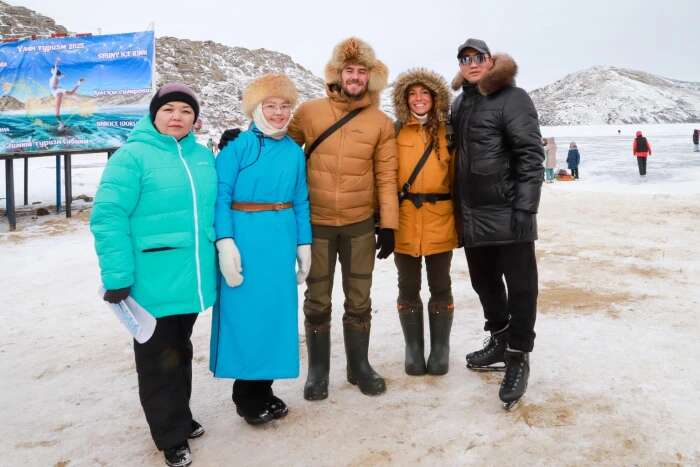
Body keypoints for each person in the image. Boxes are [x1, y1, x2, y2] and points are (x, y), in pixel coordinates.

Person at [218, 38, 398, 400]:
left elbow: (387, 176)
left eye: (362, 71)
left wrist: (389, 224)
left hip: (359, 224)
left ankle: (359, 366)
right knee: (317, 300)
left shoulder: (381, 121)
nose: (355, 77)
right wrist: (242, 137)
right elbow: (277, 141)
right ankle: (318, 371)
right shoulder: (311, 112)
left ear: (371, 77)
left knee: (359, 299)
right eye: (349, 70)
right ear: (337, 73)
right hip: (316, 225)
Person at [90, 83, 217, 467]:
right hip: (151, 280)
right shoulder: (132, 157)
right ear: (154, 114)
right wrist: (117, 276)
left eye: (185, 111)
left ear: (195, 119)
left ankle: (181, 416)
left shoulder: (201, 156)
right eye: (169, 109)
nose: (177, 117)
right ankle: (170, 435)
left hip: (191, 277)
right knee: (158, 357)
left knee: (180, 348)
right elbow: (108, 216)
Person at [210, 74, 312, 426]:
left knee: (275, 315)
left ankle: (264, 388)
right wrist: (224, 242)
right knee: (247, 316)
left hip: (280, 239)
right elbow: (220, 196)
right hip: (246, 239)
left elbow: (300, 199)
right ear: (256, 108)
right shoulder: (238, 147)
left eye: (285, 106)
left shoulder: (292, 152)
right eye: (271, 106)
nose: (279, 113)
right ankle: (247, 396)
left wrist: (304, 243)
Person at [450, 38, 544, 410]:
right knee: (483, 282)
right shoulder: (460, 103)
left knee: (521, 287)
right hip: (473, 215)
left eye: (478, 58)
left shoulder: (513, 97)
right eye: (464, 59)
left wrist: (526, 208)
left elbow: (530, 154)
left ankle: (518, 356)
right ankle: (500, 340)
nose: (472, 63)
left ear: (490, 62)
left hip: (508, 212)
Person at [391, 68, 457, 376]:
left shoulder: (449, 132)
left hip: (440, 218)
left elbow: (458, 176)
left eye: (425, 93)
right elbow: (386, 178)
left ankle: (440, 349)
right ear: (405, 100)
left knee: (440, 284)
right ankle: (413, 348)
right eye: (412, 94)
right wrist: (384, 223)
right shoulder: (395, 132)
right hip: (404, 219)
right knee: (407, 285)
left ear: (435, 98)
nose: (419, 99)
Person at [49, 57, 85, 131]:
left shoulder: (55, 76)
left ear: (53, 71)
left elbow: (56, 68)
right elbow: (62, 75)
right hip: (58, 90)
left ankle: (61, 125)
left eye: (52, 69)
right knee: (71, 93)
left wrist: (57, 62)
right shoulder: (56, 77)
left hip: (57, 91)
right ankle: (78, 83)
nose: (51, 70)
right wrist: (60, 74)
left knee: (56, 112)